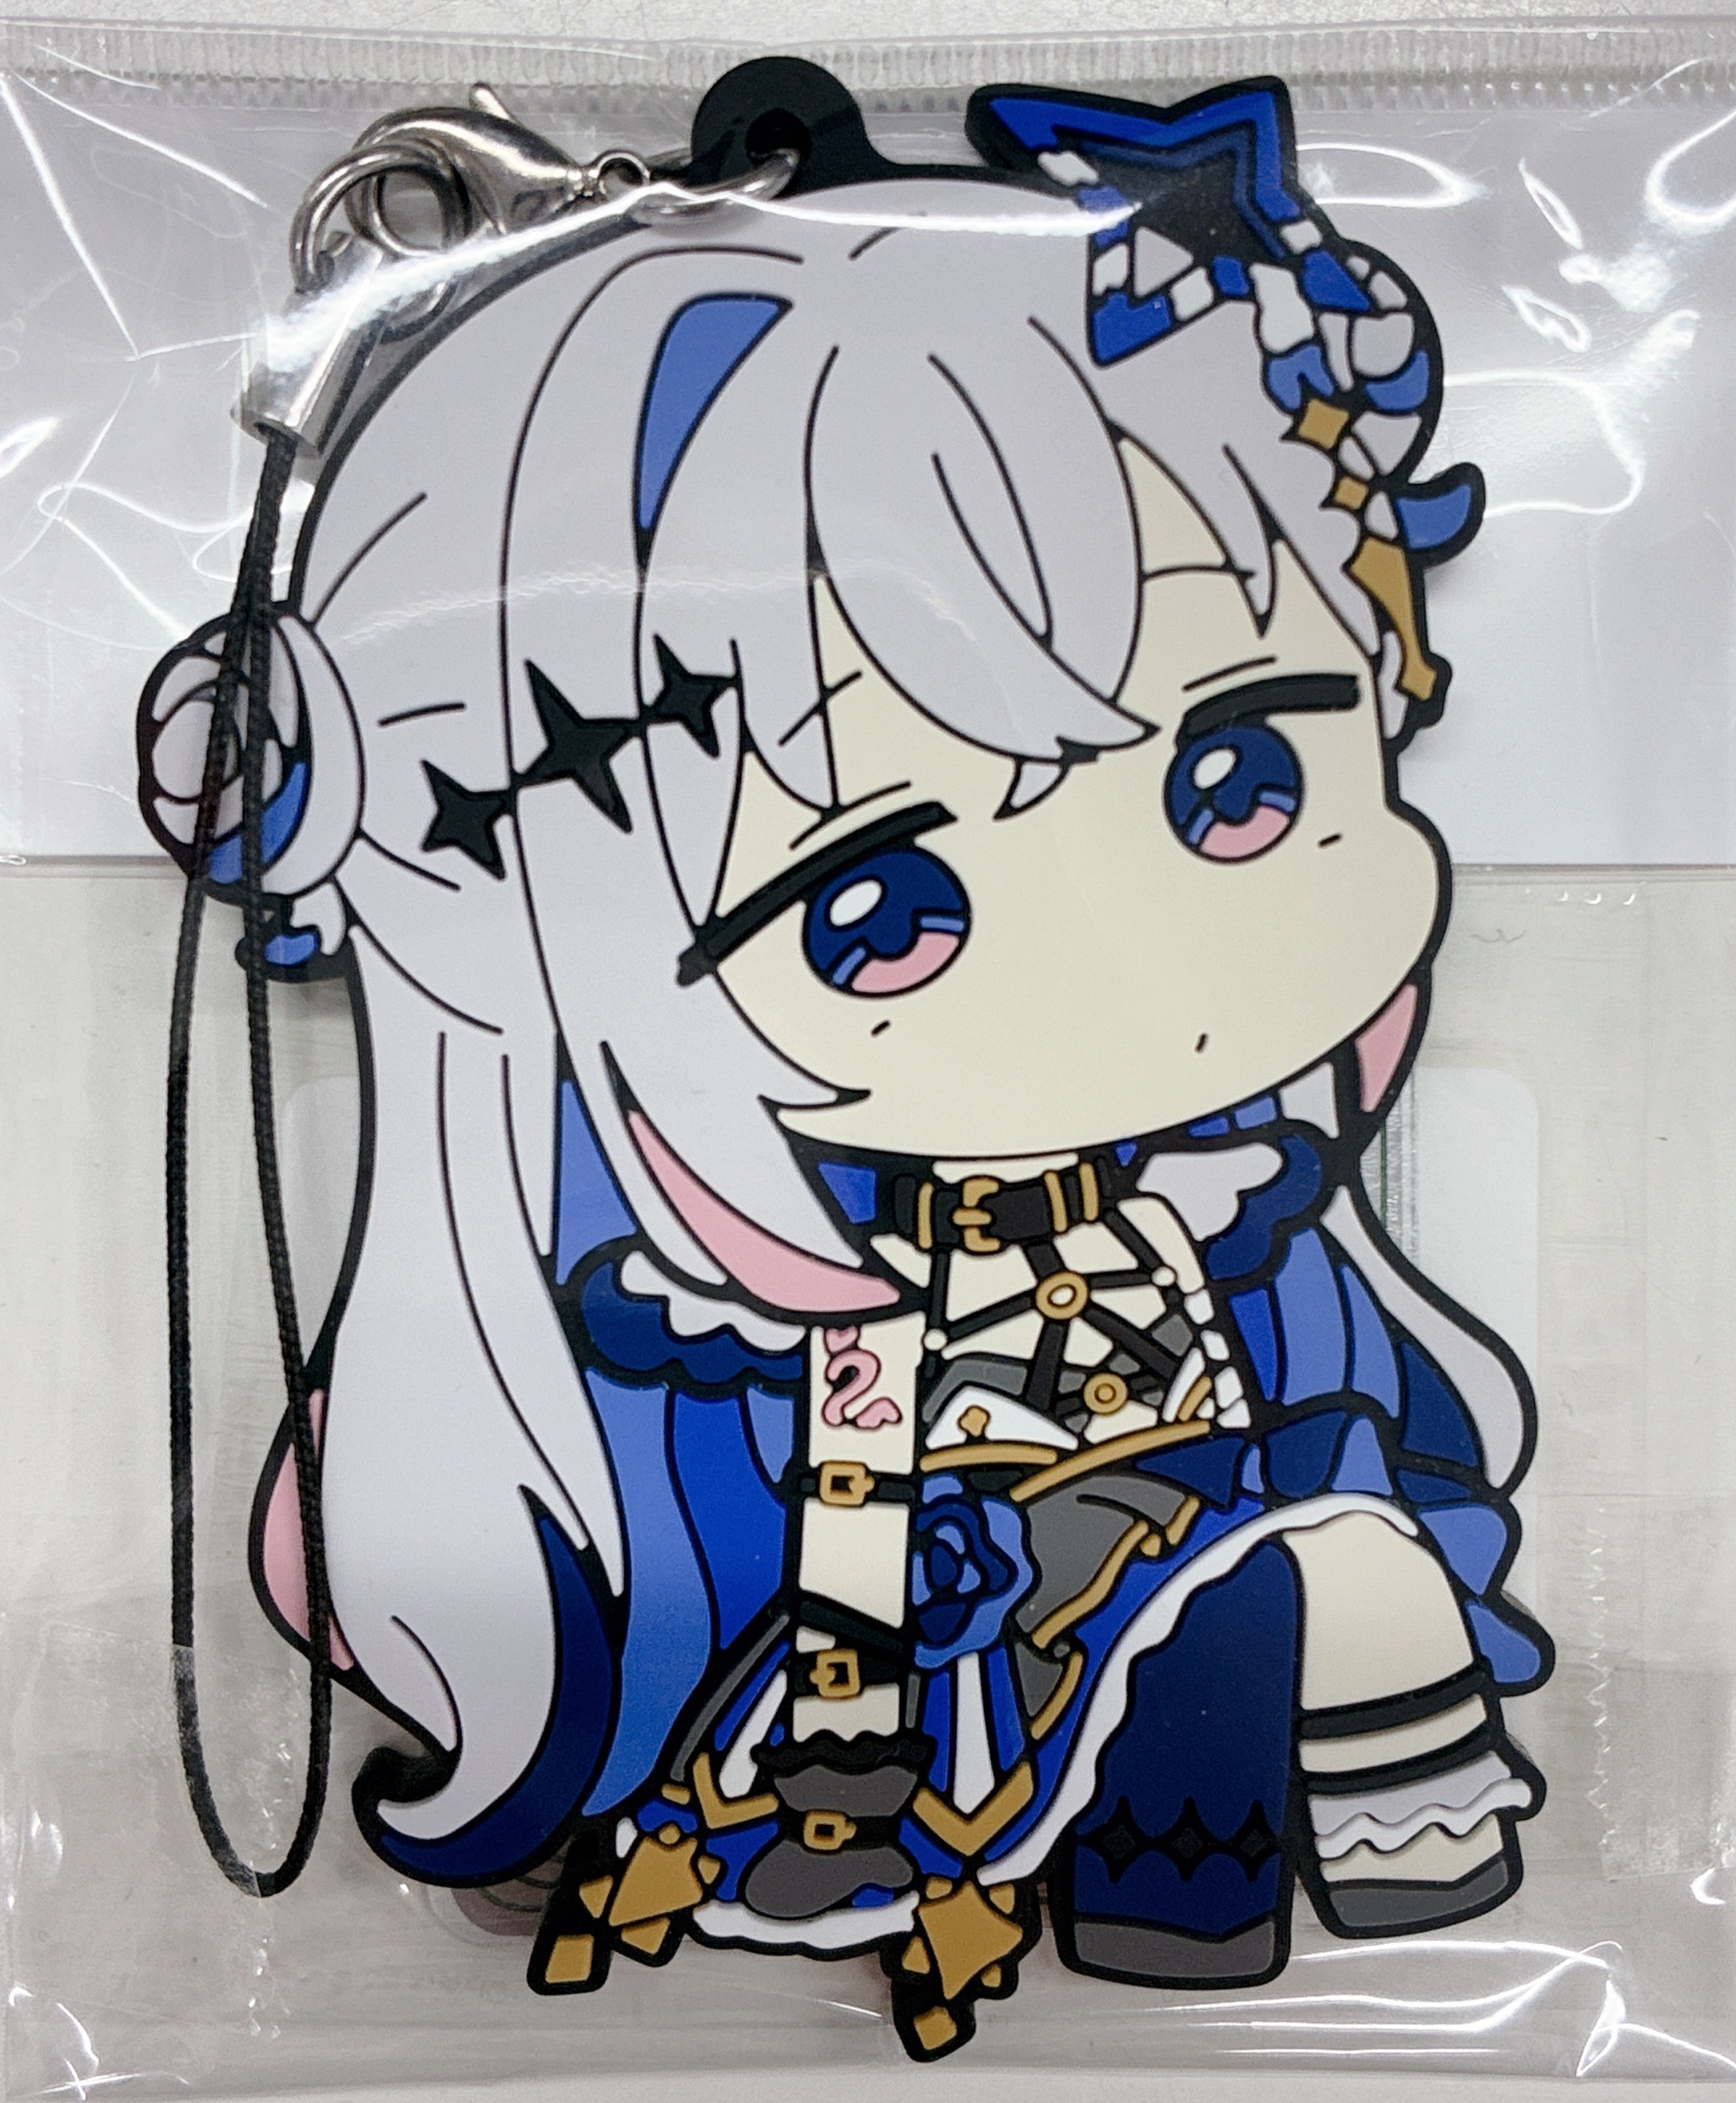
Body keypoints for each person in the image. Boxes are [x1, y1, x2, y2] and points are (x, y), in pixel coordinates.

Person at [138, 68, 1551, 2061]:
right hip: (903, 1637)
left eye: (1237, 779)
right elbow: (837, 1475)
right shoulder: (728, 1288)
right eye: (875, 910)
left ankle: (1228, 1873)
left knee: (1280, 1612)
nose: (1115, 961)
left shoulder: (1228, 1207)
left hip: (1147, 1527)